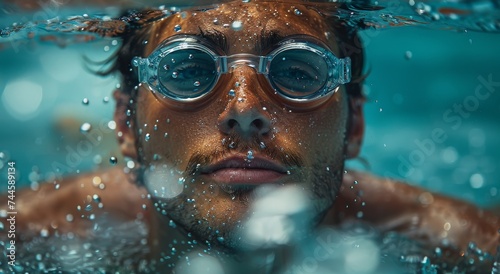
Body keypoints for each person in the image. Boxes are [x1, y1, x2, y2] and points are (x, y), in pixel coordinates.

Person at [1, 1, 499, 273]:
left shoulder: (459, 241)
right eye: (187, 71)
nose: (245, 112)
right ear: (128, 125)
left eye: (299, 73)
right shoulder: (27, 231)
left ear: (356, 127)